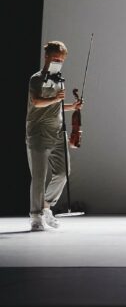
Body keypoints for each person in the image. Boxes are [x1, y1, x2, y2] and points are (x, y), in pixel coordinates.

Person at [26, 41, 83, 231]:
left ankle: (46, 205)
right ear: (47, 57)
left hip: (58, 132)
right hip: (38, 132)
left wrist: (71, 107)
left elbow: (56, 105)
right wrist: (55, 98)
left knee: (62, 172)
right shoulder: (37, 78)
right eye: (56, 58)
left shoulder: (59, 79)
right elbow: (36, 102)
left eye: (61, 60)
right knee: (39, 177)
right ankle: (36, 216)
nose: (58, 62)